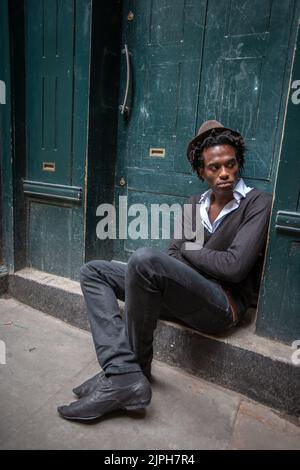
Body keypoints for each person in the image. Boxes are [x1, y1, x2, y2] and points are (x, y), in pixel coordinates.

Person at [58, 120, 272, 422]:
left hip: (222, 305)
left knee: (145, 260)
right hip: (186, 294)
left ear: (238, 164)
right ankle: (125, 372)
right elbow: (174, 254)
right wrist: (190, 256)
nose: (224, 173)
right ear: (201, 172)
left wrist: (190, 250)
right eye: (214, 167)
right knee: (94, 272)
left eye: (230, 164)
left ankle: (124, 378)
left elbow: (234, 267)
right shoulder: (194, 204)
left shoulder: (257, 203)